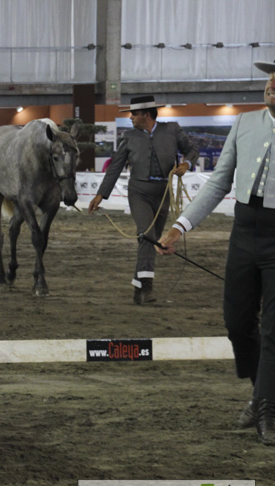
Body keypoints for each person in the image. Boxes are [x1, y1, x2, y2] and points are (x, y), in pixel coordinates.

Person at [158, 60, 275, 444]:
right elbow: (217, 183)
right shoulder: (244, 123)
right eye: (271, 77)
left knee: (273, 330)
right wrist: (178, 227)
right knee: (237, 322)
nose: (272, 83)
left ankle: (265, 408)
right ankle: (262, 391)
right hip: (243, 232)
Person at [88, 95, 198, 304]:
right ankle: (147, 287)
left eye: (133, 114)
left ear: (146, 115)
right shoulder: (129, 136)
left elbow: (192, 150)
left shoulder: (172, 130)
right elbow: (116, 166)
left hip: (164, 192)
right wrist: (100, 195)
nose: (130, 118)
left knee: (151, 239)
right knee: (147, 235)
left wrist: (186, 165)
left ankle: (138, 286)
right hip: (139, 192)